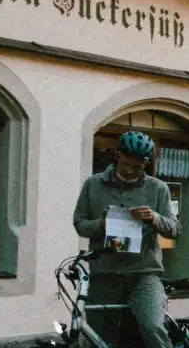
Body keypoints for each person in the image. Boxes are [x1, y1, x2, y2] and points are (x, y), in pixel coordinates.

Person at [73, 130, 181, 348]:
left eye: (138, 167)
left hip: (144, 274)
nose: (131, 171)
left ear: (146, 163)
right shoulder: (93, 185)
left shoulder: (157, 188)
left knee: (153, 328)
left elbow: (174, 229)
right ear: (118, 156)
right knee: (99, 336)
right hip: (105, 274)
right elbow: (80, 224)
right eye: (127, 165)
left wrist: (154, 217)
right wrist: (100, 225)